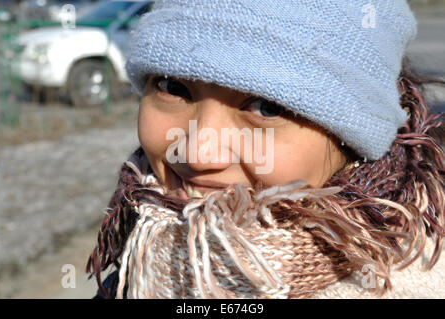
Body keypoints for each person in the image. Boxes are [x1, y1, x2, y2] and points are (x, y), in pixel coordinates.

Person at [87, 0, 444, 299]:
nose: (196, 154)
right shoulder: (138, 249)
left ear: (352, 140)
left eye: (266, 108)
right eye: (172, 87)